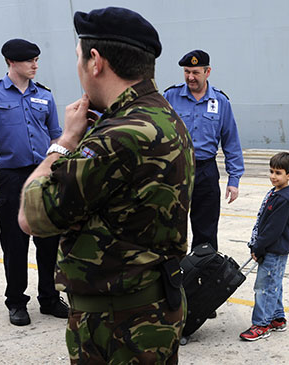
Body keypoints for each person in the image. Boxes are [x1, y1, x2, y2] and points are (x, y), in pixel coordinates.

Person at [17, 7, 194, 364]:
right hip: (151, 308)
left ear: (95, 61)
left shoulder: (118, 136)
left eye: (79, 58)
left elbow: (31, 215)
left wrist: (64, 143)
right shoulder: (162, 115)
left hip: (116, 325)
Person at [0, 38, 68, 326]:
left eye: (37, 60)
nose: (35, 65)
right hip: (11, 177)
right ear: (12, 62)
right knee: (14, 240)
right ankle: (16, 301)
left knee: (48, 239)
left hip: (44, 174)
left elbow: (55, 135)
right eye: (29, 61)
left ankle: (49, 298)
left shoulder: (45, 96)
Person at [164, 50, 244, 251]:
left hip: (206, 171)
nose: (190, 77)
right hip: (176, 169)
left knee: (206, 231)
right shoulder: (169, 97)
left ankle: (202, 276)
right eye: (187, 72)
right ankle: (172, 276)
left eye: (195, 72)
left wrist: (234, 180)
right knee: (170, 228)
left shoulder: (220, 102)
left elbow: (231, 141)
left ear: (207, 72)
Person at [239, 152, 289, 341]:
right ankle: (276, 318)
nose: (273, 176)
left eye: (278, 173)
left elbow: (272, 230)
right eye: (271, 171)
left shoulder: (284, 199)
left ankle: (261, 325)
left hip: (273, 250)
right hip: (272, 248)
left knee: (264, 287)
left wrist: (258, 248)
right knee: (273, 283)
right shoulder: (276, 192)